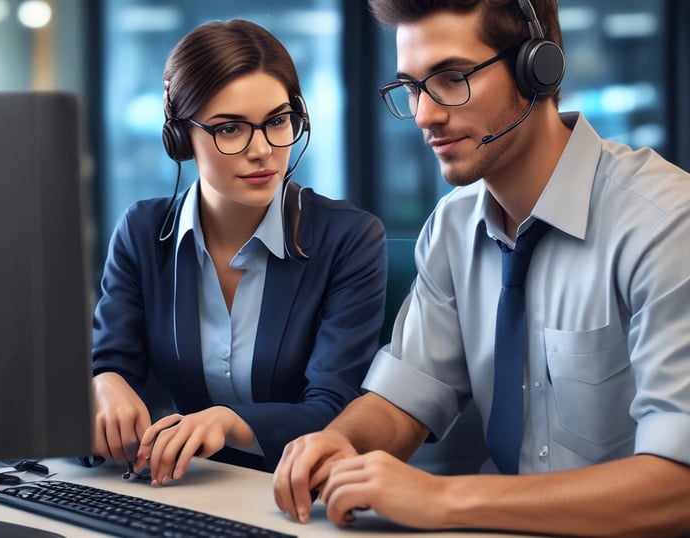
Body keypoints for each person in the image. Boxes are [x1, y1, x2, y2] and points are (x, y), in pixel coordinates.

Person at [273, 1, 690, 536]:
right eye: (411, 86)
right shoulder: (453, 226)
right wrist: (344, 442)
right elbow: (404, 396)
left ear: (538, 68)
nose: (424, 114)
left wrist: (445, 498)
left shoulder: (665, 224)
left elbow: (679, 486)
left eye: (451, 78)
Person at [91, 19, 387, 484]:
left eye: (276, 121)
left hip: (303, 492)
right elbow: (111, 362)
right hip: (186, 490)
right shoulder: (143, 232)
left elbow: (335, 407)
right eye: (230, 129)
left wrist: (231, 421)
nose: (263, 150)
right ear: (180, 136)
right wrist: (104, 384)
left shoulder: (348, 239)